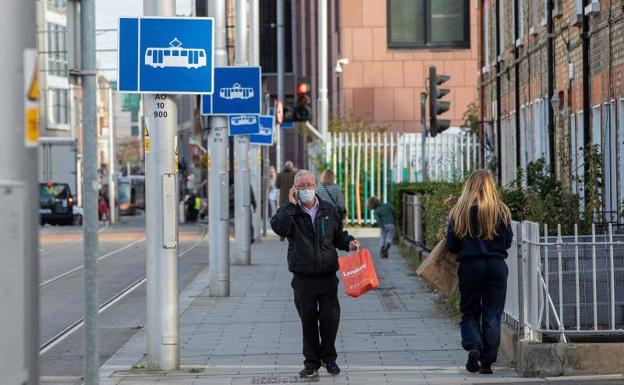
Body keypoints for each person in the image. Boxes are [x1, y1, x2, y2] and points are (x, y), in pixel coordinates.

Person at [271, 170, 360, 378]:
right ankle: (311, 363)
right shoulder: (290, 212)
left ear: (316, 186)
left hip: (327, 274)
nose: (306, 189)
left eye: (309, 185)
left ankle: (329, 359)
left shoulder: (328, 210)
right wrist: (291, 205)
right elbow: (279, 229)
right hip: (303, 277)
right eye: (301, 186)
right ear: (295, 189)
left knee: (330, 319)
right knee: (308, 320)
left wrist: (349, 242)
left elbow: (338, 236)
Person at [445, 169, 513, 375]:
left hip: (470, 266)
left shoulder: (460, 212)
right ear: (491, 186)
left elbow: (451, 244)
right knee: (493, 312)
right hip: (496, 266)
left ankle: (474, 345)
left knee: (470, 310)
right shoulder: (501, 211)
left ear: (469, 186)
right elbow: (508, 242)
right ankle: (487, 362)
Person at [275, 160, 296, 241]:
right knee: (293, 217)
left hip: (283, 199)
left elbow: (277, 185)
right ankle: (292, 234)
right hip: (293, 199)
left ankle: (282, 235)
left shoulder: (280, 175)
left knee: (283, 217)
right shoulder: (294, 175)